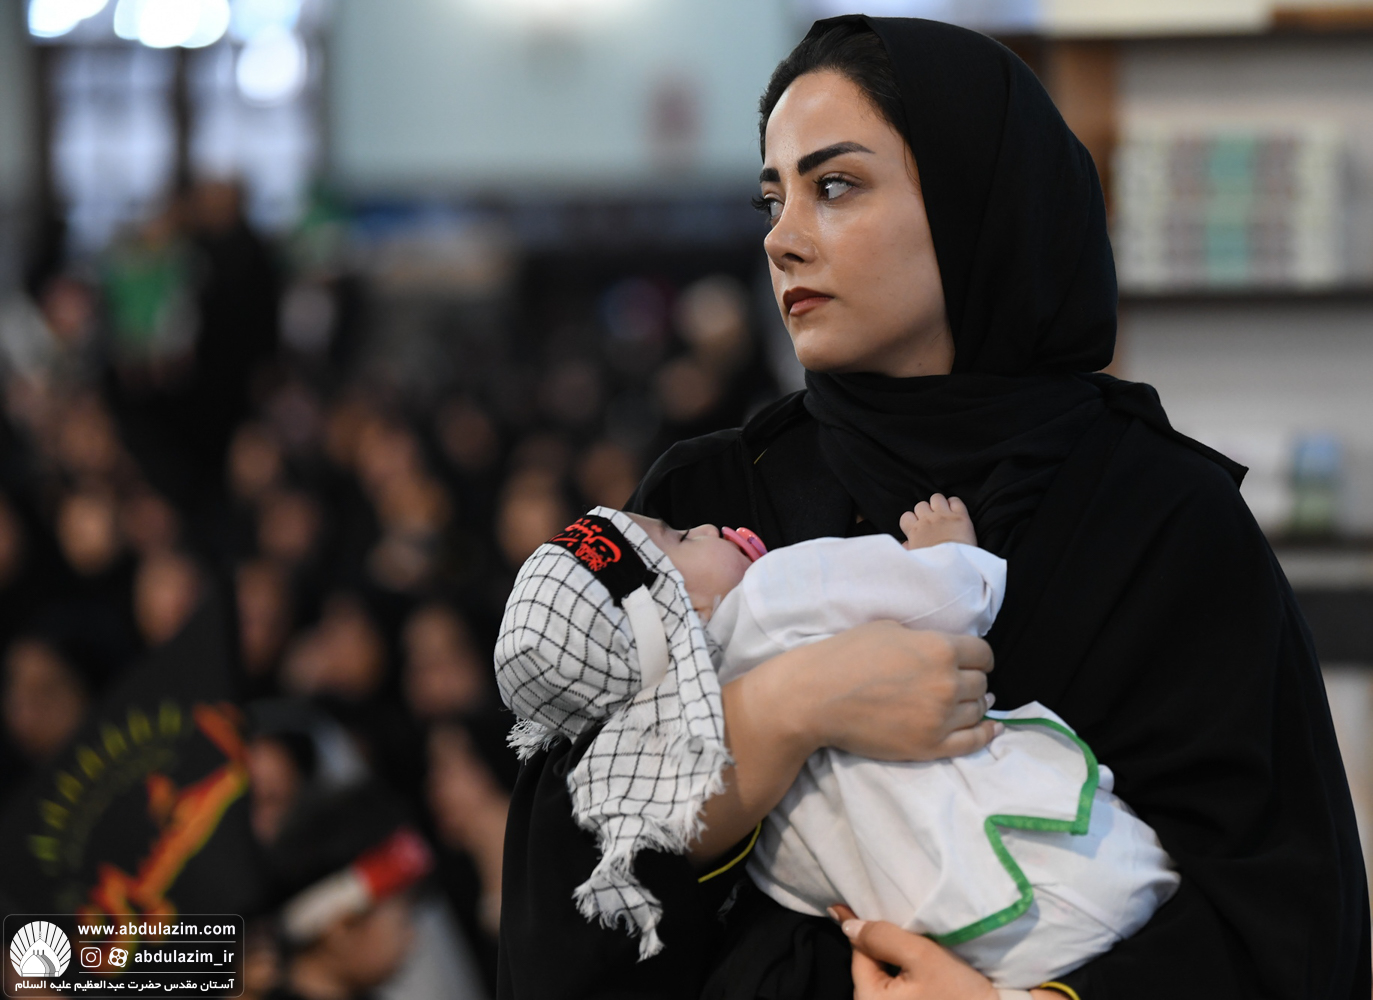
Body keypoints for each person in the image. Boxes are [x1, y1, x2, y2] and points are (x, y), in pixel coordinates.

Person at [497, 15, 1368, 1000]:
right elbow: (558, 925)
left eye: (834, 186)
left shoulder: (1161, 517)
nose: (781, 238)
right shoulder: (707, 503)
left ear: (971, 203)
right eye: (771, 198)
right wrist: (783, 709)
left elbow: (1288, 920)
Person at [497, 500, 1179, 989]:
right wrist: (948, 551)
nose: (704, 523)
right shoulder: (770, 593)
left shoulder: (676, 748)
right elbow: (948, 596)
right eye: (678, 536)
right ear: (682, 609)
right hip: (1055, 862)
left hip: (947, 932)